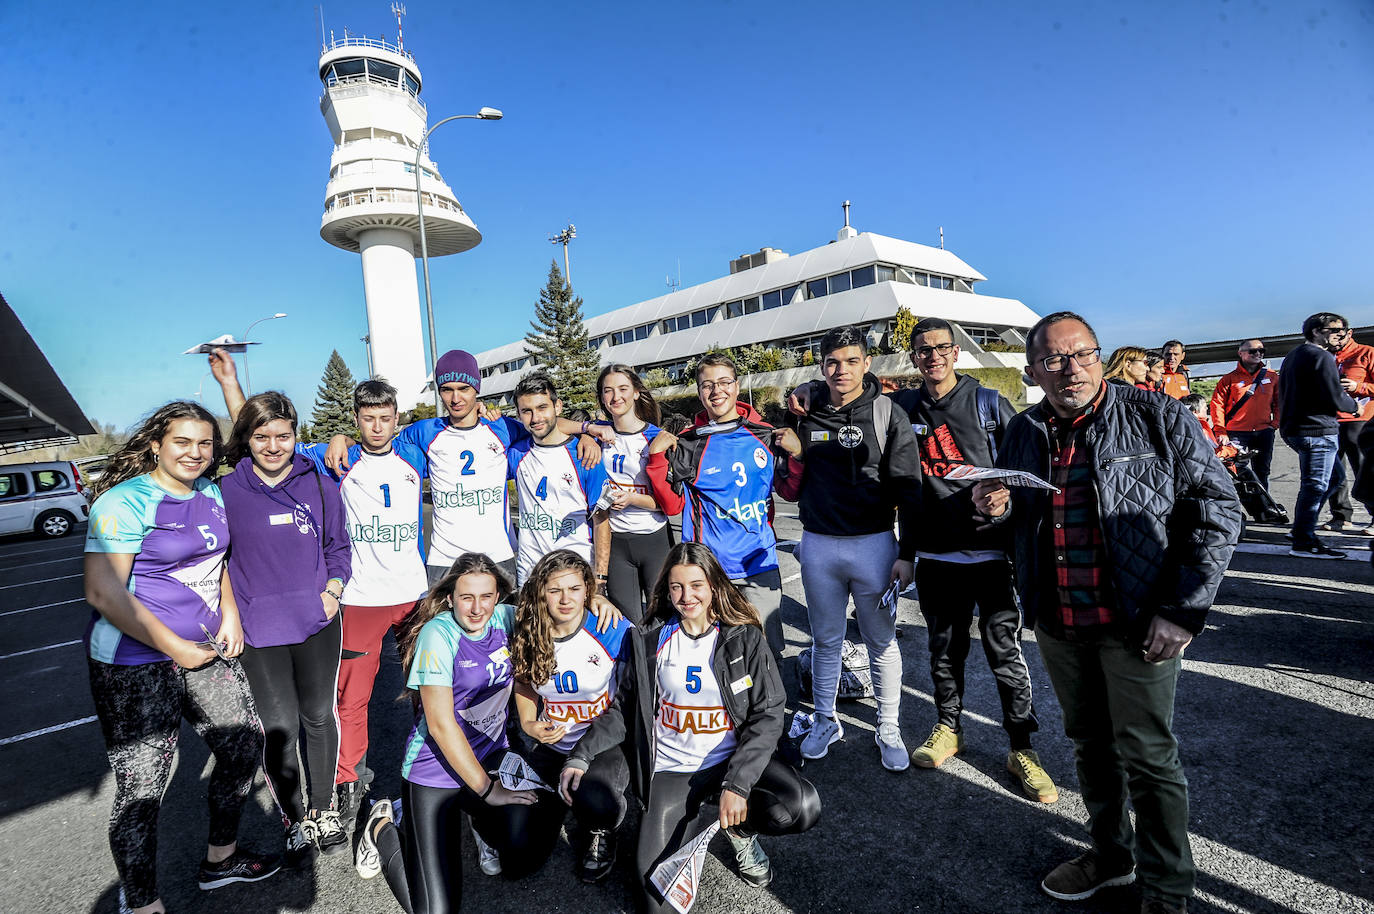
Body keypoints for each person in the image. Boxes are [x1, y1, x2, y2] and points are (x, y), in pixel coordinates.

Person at [971, 311, 1240, 914]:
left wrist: (1182, 609)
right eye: (1053, 359)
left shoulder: (1156, 415)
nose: (1071, 369)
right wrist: (994, 509)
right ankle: (1110, 854)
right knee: (1089, 744)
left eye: (1082, 354)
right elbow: (1021, 520)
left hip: (1138, 620)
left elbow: (1218, 510)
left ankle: (1167, 890)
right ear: (1032, 370)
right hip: (1060, 619)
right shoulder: (1021, 430)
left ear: (1100, 355)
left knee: (1147, 755)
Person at [797, 318, 1058, 797]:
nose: (932, 356)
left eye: (941, 348)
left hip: (989, 551)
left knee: (1004, 653)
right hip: (936, 553)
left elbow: (1021, 476)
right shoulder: (901, 405)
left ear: (955, 352)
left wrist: (1007, 507)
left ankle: (1022, 747)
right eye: (923, 350)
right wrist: (809, 388)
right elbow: (848, 398)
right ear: (913, 358)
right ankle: (947, 729)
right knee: (944, 652)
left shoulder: (988, 404)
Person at [211, 351, 429, 829]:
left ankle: (433, 770)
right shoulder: (330, 461)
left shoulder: (415, 449)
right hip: (360, 599)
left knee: (426, 689)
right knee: (351, 699)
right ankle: (348, 779)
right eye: (367, 419)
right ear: (355, 420)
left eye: (385, 418)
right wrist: (230, 383)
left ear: (397, 419)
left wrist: (589, 430)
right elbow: (262, 433)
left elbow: (473, 422)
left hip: (413, 594)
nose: (377, 426)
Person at [83, 402, 279, 914]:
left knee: (242, 747)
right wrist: (174, 649)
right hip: (133, 665)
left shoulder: (210, 492)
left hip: (202, 651)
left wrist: (229, 616)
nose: (195, 453)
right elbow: (104, 593)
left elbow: (218, 567)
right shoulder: (124, 502)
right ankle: (143, 903)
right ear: (155, 444)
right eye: (182, 442)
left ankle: (220, 861)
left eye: (205, 443)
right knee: (144, 788)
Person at [563, 542, 821, 912]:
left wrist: (738, 783)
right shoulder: (650, 639)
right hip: (673, 773)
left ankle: (741, 831)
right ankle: (685, 820)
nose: (687, 596)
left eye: (696, 585)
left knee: (800, 806)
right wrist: (581, 755)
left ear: (714, 585)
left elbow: (768, 713)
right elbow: (624, 708)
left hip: (728, 765)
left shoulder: (743, 636)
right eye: (677, 587)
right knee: (656, 901)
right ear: (666, 590)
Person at [351, 554, 567, 914]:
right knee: (436, 911)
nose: (477, 607)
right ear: (450, 597)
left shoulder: (506, 619)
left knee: (523, 847)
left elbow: (560, 604)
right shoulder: (439, 634)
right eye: (467, 597)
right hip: (434, 770)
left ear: (498, 596)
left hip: (490, 756)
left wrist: (599, 598)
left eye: (486, 596)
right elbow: (440, 725)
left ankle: (481, 823)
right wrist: (488, 791)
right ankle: (383, 828)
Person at [324, 349, 605, 585]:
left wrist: (585, 431)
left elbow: (544, 424)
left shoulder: (502, 428)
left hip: (498, 558)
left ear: (477, 390)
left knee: (502, 645)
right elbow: (378, 440)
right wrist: (342, 438)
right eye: (447, 389)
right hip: (444, 561)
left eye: (463, 389)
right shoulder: (423, 432)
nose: (455, 398)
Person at [773, 326, 921, 772]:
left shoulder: (885, 413)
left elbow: (909, 488)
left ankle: (889, 726)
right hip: (818, 543)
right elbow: (790, 480)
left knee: (880, 640)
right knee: (825, 641)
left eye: (851, 361)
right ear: (822, 366)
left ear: (867, 364)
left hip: (874, 544)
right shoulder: (805, 410)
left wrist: (907, 554)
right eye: (833, 362)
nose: (842, 370)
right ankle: (824, 720)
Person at [219, 391, 352, 862]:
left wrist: (333, 593)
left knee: (318, 717)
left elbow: (339, 549)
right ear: (246, 439)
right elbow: (214, 562)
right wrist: (229, 616)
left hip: (317, 624)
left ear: (296, 435)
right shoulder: (224, 493)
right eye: (262, 436)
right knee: (279, 729)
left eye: (283, 435)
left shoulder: (319, 485)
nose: (274, 446)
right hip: (258, 633)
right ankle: (296, 820)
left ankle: (324, 809)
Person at [646, 353, 790, 658]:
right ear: (699, 392)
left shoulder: (764, 434)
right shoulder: (689, 442)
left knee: (767, 651)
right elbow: (672, 506)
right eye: (707, 385)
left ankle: (772, 707)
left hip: (758, 562)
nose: (717, 391)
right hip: (708, 567)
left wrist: (800, 456)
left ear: (737, 387)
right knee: (713, 651)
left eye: (724, 382)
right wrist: (657, 461)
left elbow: (790, 489)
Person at [510, 549, 634, 883]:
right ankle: (560, 801)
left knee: (596, 801)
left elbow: (647, 673)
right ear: (541, 593)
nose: (566, 599)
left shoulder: (610, 627)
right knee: (517, 849)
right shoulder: (529, 629)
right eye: (555, 590)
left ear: (587, 591)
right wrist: (528, 723)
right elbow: (524, 683)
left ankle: (602, 831)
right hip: (551, 743)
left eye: (575, 589)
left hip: (601, 743)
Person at [508, 372, 612, 586]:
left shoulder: (587, 456)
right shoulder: (515, 453)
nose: (535, 418)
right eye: (527, 411)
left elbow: (601, 520)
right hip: (530, 575)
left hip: (575, 575)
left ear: (558, 407)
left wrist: (600, 579)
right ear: (519, 415)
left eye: (542, 408)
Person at [594, 365, 672, 622]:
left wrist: (632, 499)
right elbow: (558, 424)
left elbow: (670, 504)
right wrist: (586, 430)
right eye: (608, 391)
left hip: (654, 539)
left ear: (637, 392)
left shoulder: (656, 437)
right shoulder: (598, 435)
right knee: (627, 622)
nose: (616, 397)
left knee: (660, 619)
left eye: (623, 389)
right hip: (616, 542)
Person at [1279, 313, 1359, 558]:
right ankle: (1304, 541)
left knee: (1335, 479)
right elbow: (1335, 396)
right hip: (1317, 430)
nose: (1341, 334)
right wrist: (1355, 406)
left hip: (1296, 429)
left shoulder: (1294, 355)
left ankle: (1301, 530)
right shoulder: (1321, 356)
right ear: (1316, 331)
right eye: (1336, 329)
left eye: (1344, 330)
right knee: (1315, 486)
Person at [1323, 319, 1374, 534]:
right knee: (1335, 473)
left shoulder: (1367, 353)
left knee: (1366, 472)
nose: (1334, 337)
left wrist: (1359, 387)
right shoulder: (1325, 357)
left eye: (1338, 332)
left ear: (1349, 332)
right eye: (1328, 333)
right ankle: (1341, 516)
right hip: (1330, 422)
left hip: (1360, 422)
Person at [1208, 339, 1280, 490]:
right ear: (1241, 353)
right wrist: (1221, 431)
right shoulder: (1229, 379)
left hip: (1263, 432)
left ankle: (1264, 507)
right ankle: (1236, 508)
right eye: (1253, 351)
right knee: (1235, 471)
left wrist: (1275, 423)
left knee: (1262, 471)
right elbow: (1217, 405)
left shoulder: (1272, 376)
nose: (1258, 354)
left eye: (1261, 351)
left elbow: (1279, 402)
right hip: (1236, 433)